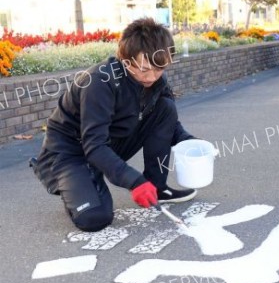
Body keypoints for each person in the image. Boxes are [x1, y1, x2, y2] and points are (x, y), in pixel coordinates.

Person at [29, 18, 197, 232]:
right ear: (126, 60)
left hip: (108, 143)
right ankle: (71, 180)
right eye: (144, 70)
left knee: (166, 107)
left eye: (159, 69)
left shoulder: (155, 80)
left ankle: (157, 187)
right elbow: (94, 145)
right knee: (94, 218)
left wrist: (189, 143)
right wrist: (134, 181)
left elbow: (167, 121)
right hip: (71, 152)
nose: (152, 77)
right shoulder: (99, 82)